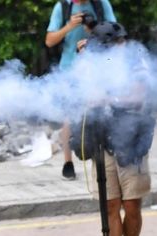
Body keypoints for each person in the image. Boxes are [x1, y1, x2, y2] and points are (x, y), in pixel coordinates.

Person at [78, 22, 153, 236]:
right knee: (110, 204)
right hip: (103, 139)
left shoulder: (136, 63)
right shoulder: (96, 64)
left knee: (132, 204)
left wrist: (109, 99)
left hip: (131, 141)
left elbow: (138, 98)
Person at [45, 0, 116, 180]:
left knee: (98, 111)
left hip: (97, 68)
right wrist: (69, 26)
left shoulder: (101, 4)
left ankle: (102, 158)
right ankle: (68, 162)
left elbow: (115, 33)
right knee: (68, 118)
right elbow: (49, 41)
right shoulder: (63, 7)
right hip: (69, 69)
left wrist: (93, 29)